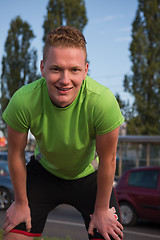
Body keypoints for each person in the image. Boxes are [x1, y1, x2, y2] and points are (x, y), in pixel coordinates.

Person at [2, 26, 124, 240]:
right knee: (14, 235)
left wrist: (102, 210)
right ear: (42, 67)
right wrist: (21, 203)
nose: (65, 80)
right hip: (43, 174)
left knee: (109, 236)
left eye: (74, 70)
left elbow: (108, 159)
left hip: (89, 176)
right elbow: (14, 155)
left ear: (86, 70)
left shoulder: (102, 102)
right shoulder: (23, 100)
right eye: (56, 68)